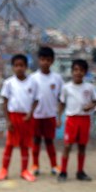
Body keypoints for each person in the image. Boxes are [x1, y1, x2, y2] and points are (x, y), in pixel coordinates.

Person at [0, 54, 37, 182]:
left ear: (26, 67)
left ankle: (24, 170)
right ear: (13, 67)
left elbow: (36, 100)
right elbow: (5, 102)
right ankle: (4, 169)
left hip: (26, 118)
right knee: (10, 144)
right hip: (14, 117)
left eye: (22, 65)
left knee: (25, 145)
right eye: (16, 65)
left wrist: (30, 113)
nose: (19, 68)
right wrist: (8, 120)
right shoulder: (9, 83)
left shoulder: (32, 82)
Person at [57, 59, 96, 182]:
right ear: (72, 72)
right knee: (67, 146)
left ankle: (80, 171)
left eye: (81, 70)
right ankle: (63, 171)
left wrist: (90, 106)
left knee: (82, 146)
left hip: (84, 119)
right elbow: (62, 103)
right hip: (72, 119)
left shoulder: (89, 87)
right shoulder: (66, 88)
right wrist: (59, 118)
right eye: (76, 70)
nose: (78, 73)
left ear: (85, 72)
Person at [29, 46, 63, 176]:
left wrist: (59, 117)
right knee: (36, 140)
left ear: (52, 61)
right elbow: (30, 98)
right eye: (42, 59)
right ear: (39, 60)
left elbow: (61, 99)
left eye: (48, 60)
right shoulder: (33, 78)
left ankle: (54, 165)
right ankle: (35, 165)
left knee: (49, 141)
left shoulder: (57, 79)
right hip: (36, 115)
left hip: (50, 115)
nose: (45, 62)